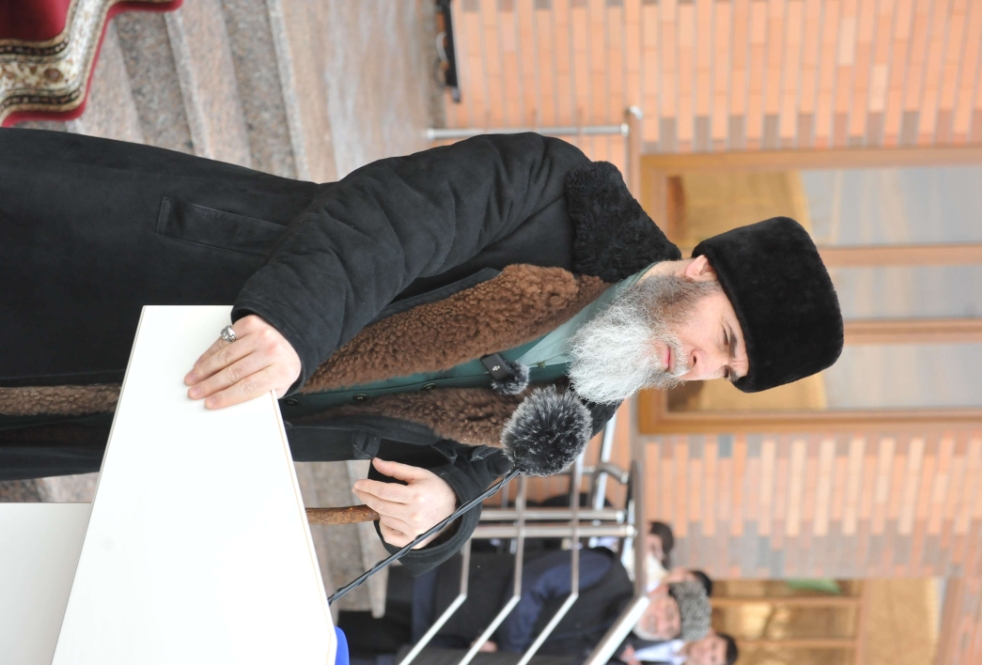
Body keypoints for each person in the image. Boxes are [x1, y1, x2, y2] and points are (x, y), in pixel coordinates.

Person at [0, 129, 844, 573]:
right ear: (702, 270)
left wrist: (442, 506)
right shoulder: (557, 189)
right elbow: (395, 218)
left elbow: (471, 471)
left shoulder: (595, 389)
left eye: (725, 371)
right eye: (721, 339)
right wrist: (292, 323)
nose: (700, 367)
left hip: (179, 403)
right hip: (177, 272)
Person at [337, 547, 711, 661]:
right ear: (662, 592)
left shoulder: (611, 646)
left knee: (343, 647)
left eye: (671, 630)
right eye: (669, 613)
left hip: (447, 643)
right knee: (339, 603)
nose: (661, 623)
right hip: (444, 593)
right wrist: (510, 652)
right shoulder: (608, 572)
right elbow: (534, 582)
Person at [619, 630, 738, 665]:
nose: (706, 652)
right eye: (713, 645)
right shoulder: (669, 626)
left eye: (712, 659)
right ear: (711, 634)